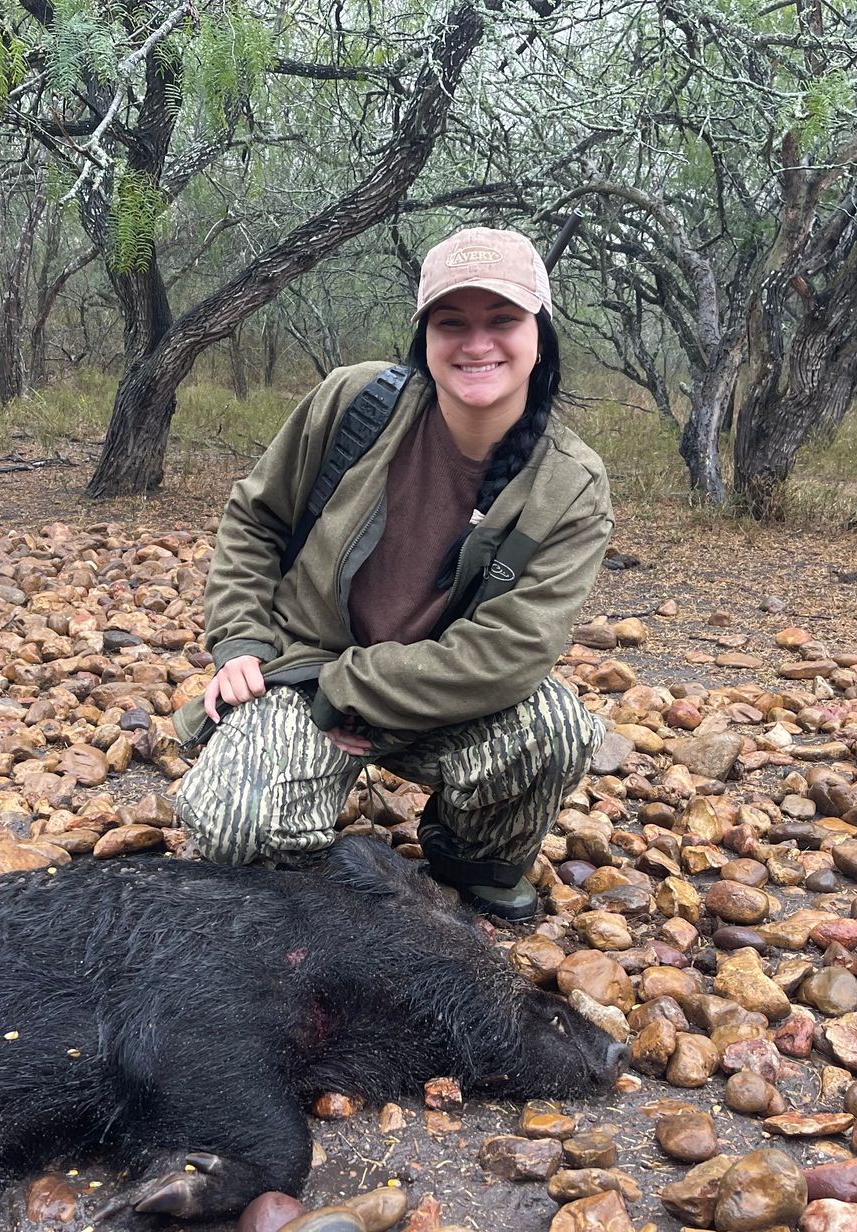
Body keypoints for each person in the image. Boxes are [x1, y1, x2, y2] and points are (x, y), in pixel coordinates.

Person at [171, 226, 613, 920]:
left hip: (427, 697)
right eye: (451, 322)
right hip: (306, 674)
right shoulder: (353, 401)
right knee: (233, 830)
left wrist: (349, 690)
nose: (476, 343)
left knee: (556, 727)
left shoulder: (571, 483)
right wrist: (241, 642)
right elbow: (255, 519)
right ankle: (310, 879)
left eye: (502, 320)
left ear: (541, 336)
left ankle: (470, 860)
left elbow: (511, 653)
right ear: (424, 336)